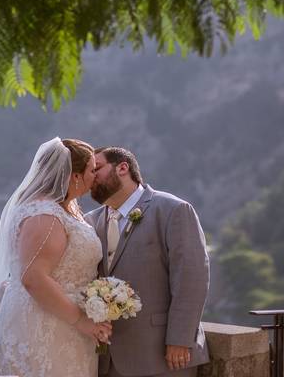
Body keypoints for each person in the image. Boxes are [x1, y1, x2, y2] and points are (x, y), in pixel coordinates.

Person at [0, 137, 113, 377]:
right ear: (74, 175)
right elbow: (33, 277)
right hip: (46, 324)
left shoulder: (61, 210)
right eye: (92, 170)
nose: (96, 176)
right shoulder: (45, 215)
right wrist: (81, 321)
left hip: (62, 323)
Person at [86, 146, 210, 377]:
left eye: (97, 168)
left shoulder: (173, 210)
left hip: (162, 355)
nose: (91, 176)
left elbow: (192, 278)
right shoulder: (90, 221)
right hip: (106, 359)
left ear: (123, 167)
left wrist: (180, 339)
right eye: (89, 171)